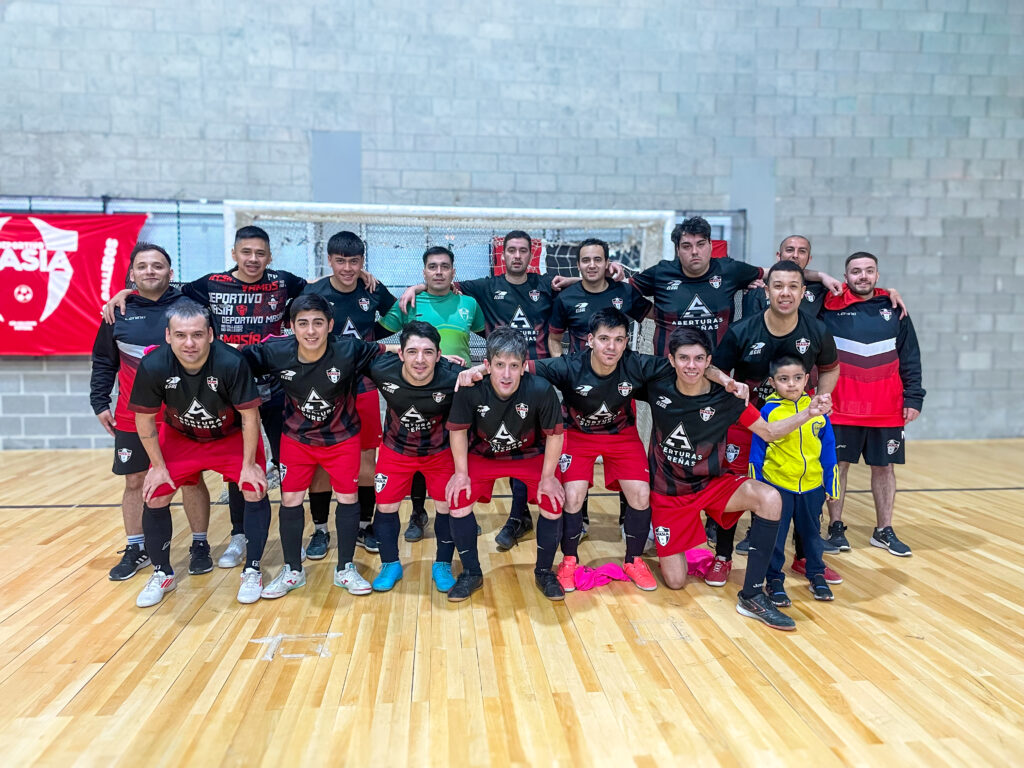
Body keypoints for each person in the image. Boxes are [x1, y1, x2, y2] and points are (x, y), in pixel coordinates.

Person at [104, 226, 307, 569]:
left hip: (274, 390)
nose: (253, 259)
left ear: (270, 257)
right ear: (234, 254)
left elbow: (320, 289)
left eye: (260, 253)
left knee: (286, 465)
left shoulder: (284, 281)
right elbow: (162, 289)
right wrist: (127, 292)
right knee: (239, 472)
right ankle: (239, 536)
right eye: (246, 252)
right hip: (227, 391)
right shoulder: (211, 284)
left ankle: (291, 537)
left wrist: (359, 276)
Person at [639, 326, 832, 631]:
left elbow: (769, 432)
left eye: (699, 358)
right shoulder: (657, 384)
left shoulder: (727, 399)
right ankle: (675, 545)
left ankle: (752, 595)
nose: (691, 365)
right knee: (676, 582)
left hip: (713, 485)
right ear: (671, 360)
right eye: (684, 358)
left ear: (709, 361)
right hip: (669, 493)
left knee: (769, 498)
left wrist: (808, 413)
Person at [397, 231, 557, 549]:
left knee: (525, 446)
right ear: (502, 254)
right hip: (495, 378)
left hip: (535, 379)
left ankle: (518, 516)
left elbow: (578, 284)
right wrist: (416, 287)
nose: (516, 256)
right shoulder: (484, 287)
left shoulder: (544, 284)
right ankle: (426, 511)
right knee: (448, 441)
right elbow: (443, 284)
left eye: (523, 250)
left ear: (531, 254)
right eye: (511, 250)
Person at [238, 293, 388, 598]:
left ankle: (345, 568)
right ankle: (292, 570)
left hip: (342, 438)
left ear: (330, 325)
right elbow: (231, 357)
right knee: (290, 499)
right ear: (291, 326)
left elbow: (393, 350)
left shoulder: (348, 348)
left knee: (348, 498)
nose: (310, 331)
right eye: (303, 323)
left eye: (318, 323)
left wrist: (437, 357)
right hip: (297, 439)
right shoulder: (275, 350)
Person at [128, 299, 270, 607]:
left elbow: (250, 417)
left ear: (210, 335)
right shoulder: (154, 365)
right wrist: (158, 466)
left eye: (197, 334)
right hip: (180, 437)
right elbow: (144, 420)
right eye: (180, 335)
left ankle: (253, 569)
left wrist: (249, 465)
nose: (189, 343)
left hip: (229, 436)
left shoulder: (231, 362)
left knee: (254, 487)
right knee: (155, 494)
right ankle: (162, 573)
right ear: (168, 336)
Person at [707, 260, 841, 584]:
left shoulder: (816, 330)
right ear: (766, 291)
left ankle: (805, 558)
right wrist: (729, 383)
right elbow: (712, 369)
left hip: (797, 422)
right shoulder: (743, 330)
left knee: (805, 489)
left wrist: (822, 399)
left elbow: (831, 367)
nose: (785, 293)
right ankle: (723, 556)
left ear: (803, 292)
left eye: (793, 286)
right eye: (778, 286)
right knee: (736, 487)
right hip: (747, 422)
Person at [90, 242, 211, 581]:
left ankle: (200, 544)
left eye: (157, 266)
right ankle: (136, 547)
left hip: (182, 414)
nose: (150, 271)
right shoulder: (117, 312)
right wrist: (99, 402)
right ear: (132, 273)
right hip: (132, 414)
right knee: (135, 481)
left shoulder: (189, 307)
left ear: (170, 272)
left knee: (191, 479)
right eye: (142, 266)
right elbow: (104, 361)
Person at [527, 308, 660, 591]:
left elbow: (683, 366)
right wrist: (478, 370)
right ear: (590, 340)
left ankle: (634, 560)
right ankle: (569, 561)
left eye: (618, 340)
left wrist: (724, 380)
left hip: (621, 435)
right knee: (573, 497)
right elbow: (521, 367)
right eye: (604, 339)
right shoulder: (569, 366)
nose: (611, 347)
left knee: (640, 494)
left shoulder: (635, 363)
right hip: (578, 434)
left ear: (626, 342)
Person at [445, 328, 566, 602]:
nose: (507, 374)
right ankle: (471, 573)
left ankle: (544, 572)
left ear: (524, 367)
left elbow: (555, 435)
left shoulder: (540, 389)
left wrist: (548, 477)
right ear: (487, 366)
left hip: (529, 454)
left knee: (553, 500)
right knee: (458, 498)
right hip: (484, 455)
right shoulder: (471, 390)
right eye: (500, 365)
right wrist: (461, 473)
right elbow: (458, 431)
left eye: (514, 366)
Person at [821, 252, 925, 556]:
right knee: (838, 467)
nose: (863, 276)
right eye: (856, 271)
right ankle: (835, 527)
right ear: (846, 276)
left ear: (877, 275)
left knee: (884, 467)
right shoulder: (828, 305)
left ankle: (884, 530)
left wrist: (914, 397)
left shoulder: (894, 308)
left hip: (886, 408)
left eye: (869, 270)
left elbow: (910, 355)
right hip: (840, 407)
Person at [302, 231, 398, 557]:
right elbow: (298, 325)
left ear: (362, 262)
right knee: (320, 460)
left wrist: (372, 336)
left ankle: (364, 526)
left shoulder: (372, 289)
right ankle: (319, 529)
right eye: (340, 261)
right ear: (329, 260)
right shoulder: (314, 291)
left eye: (354, 261)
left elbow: (398, 313)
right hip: (323, 386)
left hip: (363, 385)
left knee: (366, 459)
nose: (347, 268)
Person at [380, 245, 485, 541]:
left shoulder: (469, 304)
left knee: (460, 453)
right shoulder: (409, 302)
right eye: (432, 267)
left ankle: (462, 509)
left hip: (458, 392)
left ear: (453, 272)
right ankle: (417, 513)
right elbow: (376, 334)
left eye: (444, 267)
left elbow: (487, 336)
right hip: (416, 392)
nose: (439, 272)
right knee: (417, 454)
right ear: (424, 272)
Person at [364, 321, 464, 592]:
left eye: (428, 352)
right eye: (412, 351)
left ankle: (442, 564)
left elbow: (492, 378)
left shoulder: (454, 376)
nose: (420, 360)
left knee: (447, 507)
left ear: (439, 355)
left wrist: (476, 369)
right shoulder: (381, 368)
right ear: (400, 353)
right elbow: (350, 349)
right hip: (395, 450)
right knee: (386, 508)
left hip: (439, 452)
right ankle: (390, 564)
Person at [749, 356, 841, 606]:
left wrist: (831, 483)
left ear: (806, 379)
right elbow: (757, 453)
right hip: (778, 486)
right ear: (772, 382)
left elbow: (829, 450)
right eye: (784, 379)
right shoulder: (768, 411)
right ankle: (774, 580)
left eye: (797, 378)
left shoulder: (818, 411)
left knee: (812, 535)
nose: (791, 384)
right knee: (776, 538)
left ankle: (816, 574)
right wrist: (757, 488)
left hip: (811, 487)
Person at [547, 238, 650, 356]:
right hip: (579, 366)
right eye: (586, 260)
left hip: (618, 366)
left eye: (597, 260)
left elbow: (659, 315)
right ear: (578, 265)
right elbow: (554, 339)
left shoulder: (624, 291)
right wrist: (562, 365)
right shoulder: (565, 298)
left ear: (606, 263)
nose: (592, 265)